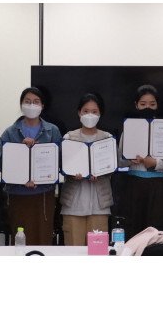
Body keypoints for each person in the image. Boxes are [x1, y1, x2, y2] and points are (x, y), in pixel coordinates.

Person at [0, 87, 62, 246]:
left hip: (43, 194)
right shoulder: (10, 132)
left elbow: (59, 159)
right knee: (20, 239)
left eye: (36, 102)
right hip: (17, 194)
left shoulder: (52, 131)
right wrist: (19, 151)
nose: (32, 105)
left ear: (42, 106)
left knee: (43, 237)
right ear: (21, 105)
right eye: (28, 101)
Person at [116, 85, 163, 239]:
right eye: (143, 104)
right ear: (136, 105)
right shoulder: (129, 127)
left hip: (158, 186)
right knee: (133, 228)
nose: (148, 107)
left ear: (157, 105)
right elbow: (118, 160)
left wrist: (156, 163)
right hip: (133, 184)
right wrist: (129, 160)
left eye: (152, 104)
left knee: (156, 230)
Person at [60, 93, 114, 246]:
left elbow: (111, 168)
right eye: (86, 111)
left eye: (94, 111)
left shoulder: (108, 138)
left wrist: (102, 172)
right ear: (79, 113)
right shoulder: (68, 138)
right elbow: (61, 166)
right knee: (73, 253)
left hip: (100, 206)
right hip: (73, 206)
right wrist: (71, 173)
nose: (90, 115)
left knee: (98, 252)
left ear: (100, 114)